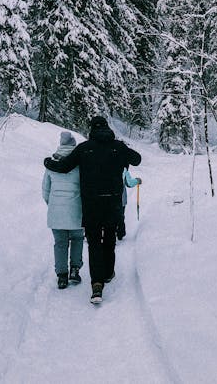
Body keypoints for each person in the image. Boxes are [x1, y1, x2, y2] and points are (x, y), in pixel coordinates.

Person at [44, 116, 141, 304]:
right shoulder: (118, 147)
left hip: (91, 205)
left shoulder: (84, 148)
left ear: (91, 130)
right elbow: (137, 159)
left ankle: (96, 284)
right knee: (110, 239)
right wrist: (121, 154)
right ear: (107, 128)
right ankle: (107, 273)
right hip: (113, 203)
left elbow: (63, 167)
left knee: (94, 242)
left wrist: (48, 162)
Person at [42, 131, 84, 289]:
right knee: (77, 240)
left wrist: (52, 204)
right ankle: (74, 270)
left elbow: (45, 190)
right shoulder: (79, 163)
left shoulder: (51, 164)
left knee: (60, 243)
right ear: (73, 145)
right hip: (77, 210)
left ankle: (61, 276)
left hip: (56, 212)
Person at [117, 169, 142, 240]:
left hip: (107, 197)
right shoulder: (123, 169)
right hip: (120, 198)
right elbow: (129, 183)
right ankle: (120, 233)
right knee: (120, 215)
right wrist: (137, 181)